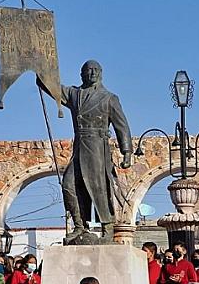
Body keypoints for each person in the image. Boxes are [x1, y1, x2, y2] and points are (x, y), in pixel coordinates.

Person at [38, 60, 133, 242]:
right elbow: (54, 88)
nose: (92, 73)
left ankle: (107, 226)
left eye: (95, 70)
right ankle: (80, 226)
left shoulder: (109, 98)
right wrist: (40, 72)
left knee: (98, 187)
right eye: (88, 70)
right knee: (69, 185)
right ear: (81, 74)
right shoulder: (75, 94)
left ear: (101, 73)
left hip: (98, 147)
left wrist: (126, 151)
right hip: (80, 146)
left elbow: (122, 125)